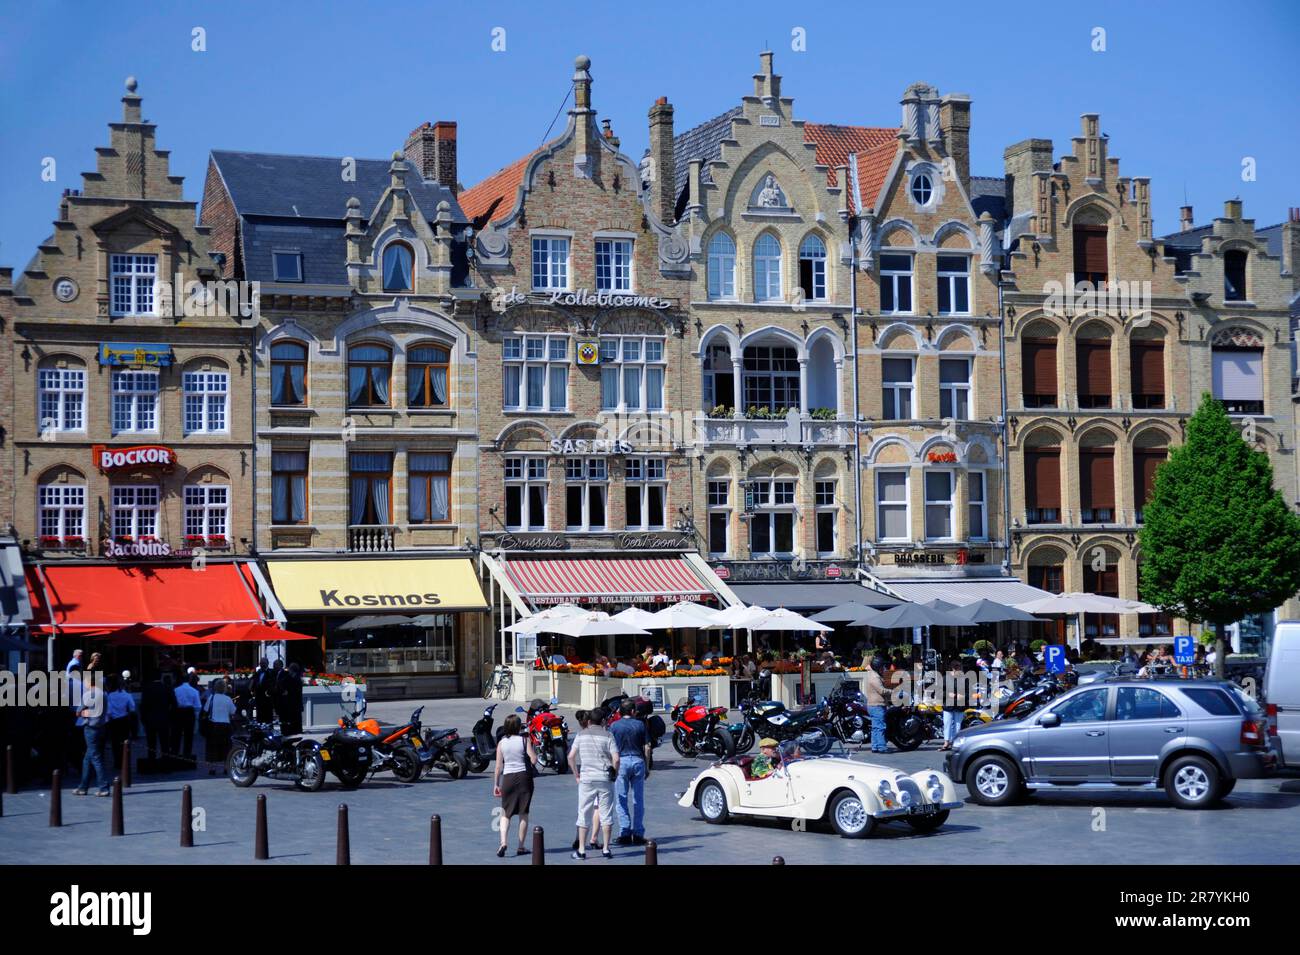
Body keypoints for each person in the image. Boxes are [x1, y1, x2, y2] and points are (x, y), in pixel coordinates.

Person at [569, 705, 619, 860]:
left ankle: (582, 850)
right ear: (603, 720)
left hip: (587, 778)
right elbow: (616, 758)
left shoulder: (581, 735)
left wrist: (576, 774)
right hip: (604, 778)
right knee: (606, 813)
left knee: (584, 812)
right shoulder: (608, 735)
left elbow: (571, 757)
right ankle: (605, 848)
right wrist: (614, 772)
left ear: (589, 720)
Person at [493, 714, 536, 857]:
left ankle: (503, 842)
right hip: (524, 776)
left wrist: (496, 784)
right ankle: (521, 846)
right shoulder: (525, 740)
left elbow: (498, 767)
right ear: (519, 727)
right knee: (523, 812)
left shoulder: (501, 743)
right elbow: (534, 759)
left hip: (508, 778)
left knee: (506, 813)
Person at [610, 698, 651, 846]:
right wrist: (647, 766)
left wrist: (612, 766)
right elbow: (647, 747)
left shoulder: (614, 726)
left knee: (621, 798)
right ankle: (638, 833)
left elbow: (611, 749)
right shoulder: (640, 724)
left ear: (620, 712)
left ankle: (625, 832)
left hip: (621, 762)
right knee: (638, 799)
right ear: (633, 711)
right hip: (638, 761)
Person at [73, 678, 110, 796]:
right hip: (101, 727)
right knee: (87, 758)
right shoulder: (103, 694)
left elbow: (78, 712)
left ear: (90, 683)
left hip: (90, 728)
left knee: (95, 757)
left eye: (86, 681)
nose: (85, 684)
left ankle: (103, 787)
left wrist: (85, 713)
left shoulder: (89, 695)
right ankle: (83, 787)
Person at [105, 674, 137, 775]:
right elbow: (132, 708)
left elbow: (108, 711)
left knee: (115, 742)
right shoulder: (127, 695)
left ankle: (117, 761)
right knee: (125, 741)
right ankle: (124, 760)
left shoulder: (109, 696)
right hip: (124, 719)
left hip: (114, 721)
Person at [203, 679, 237, 772]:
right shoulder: (228, 699)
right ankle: (226, 767)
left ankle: (212, 768)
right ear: (224, 688)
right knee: (226, 747)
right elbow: (233, 711)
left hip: (213, 725)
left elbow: (206, 710)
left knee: (212, 748)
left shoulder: (212, 697)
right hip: (226, 725)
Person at [172, 672, 201, 763]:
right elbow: (198, 706)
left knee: (176, 734)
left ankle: (175, 753)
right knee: (189, 736)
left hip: (178, 712)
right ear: (189, 680)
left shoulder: (176, 690)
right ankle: (187, 755)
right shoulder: (194, 691)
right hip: (189, 712)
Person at [864, 656, 889, 754]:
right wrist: (893, 692)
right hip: (877, 705)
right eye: (882, 666)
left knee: (875, 727)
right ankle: (882, 747)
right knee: (880, 727)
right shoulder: (875, 677)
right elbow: (881, 690)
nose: (884, 669)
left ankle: (875, 747)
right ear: (878, 667)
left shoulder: (872, 675)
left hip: (873, 705)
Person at [940, 657, 965, 751]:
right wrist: (948, 694)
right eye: (958, 669)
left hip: (959, 705)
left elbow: (968, 691)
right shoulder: (945, 678)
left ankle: (955, 742)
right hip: (948, 705)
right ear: (953, 669)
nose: (960, 671)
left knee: (958, 725)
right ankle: (946, 742)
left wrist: (963, 696)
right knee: (947, 723)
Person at [277, 663, 304, 735]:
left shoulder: (296, 679)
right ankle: (293, 731)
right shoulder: (290, 677)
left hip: (294, 703)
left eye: (289, 669)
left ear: (292, 670)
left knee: (295, 719)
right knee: (293, 719)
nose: (288, 670)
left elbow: (295, 691)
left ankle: (296, 731)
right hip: (292, 703)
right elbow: (280, 683)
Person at [251, 658, 276, 723]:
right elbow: (253, 682)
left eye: (263, 663)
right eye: (261, 663)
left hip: (267, 699)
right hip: (259, 698)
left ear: (267, 664)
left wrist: (269, 692)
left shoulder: (271, 672)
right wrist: (252, 690)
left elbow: (273, 684)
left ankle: (269, 731)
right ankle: (260, 731)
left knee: (268, 717)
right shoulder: (257, 673)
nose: (262, 664)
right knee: (259, 717)